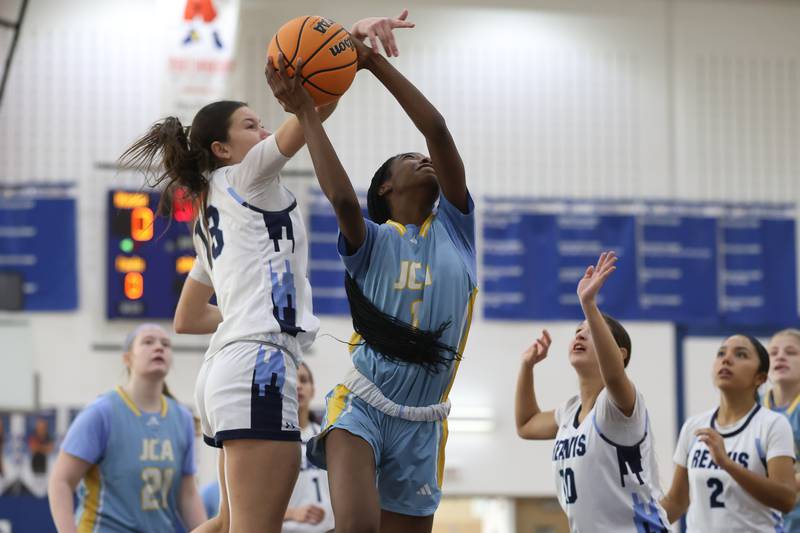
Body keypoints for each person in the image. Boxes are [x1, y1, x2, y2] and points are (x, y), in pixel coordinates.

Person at [118, 14, 413, 533]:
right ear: (222, 150)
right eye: (251, 126)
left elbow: (186, 318)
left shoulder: (212, 208)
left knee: (231, 522)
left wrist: (243, 307)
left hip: (225, 368)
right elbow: (312, 110)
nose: (265, 131)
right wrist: (346, 44)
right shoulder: (243, 175)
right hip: (258, 365)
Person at [266, 17, 476, 531]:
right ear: (384, 188)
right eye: (409, 158)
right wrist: (306, 114)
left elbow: (438, 129)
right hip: (363, 404)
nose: (424, 157)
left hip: (425, 421)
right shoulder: (369, 243)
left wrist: (371, 61)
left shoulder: (455, 230)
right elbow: (340, 198)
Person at [514, 252, 670, 532]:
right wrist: (527, 367)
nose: (580, 335)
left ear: (620, 354)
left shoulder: (619, 405)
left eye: (591, 330)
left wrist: (589, 305)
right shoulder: (568, 412)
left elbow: (613, 375)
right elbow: (526, 425)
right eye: (577, 330)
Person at [48, 324, 205, 532]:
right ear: (127, 358)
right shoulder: (101, 413)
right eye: (148, 342)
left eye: (165, 344)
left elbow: (187, 495)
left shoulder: (182, 418)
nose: (159, 347)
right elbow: (61, 481)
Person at [660, 334, 796, 531]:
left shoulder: (773, 424)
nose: (726, 359)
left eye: (740, 355)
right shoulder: (694, 426)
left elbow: (786, 499)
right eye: (721, 353)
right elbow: (676, 501)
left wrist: (727, 464)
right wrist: (637, 526)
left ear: (760, 378)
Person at [199, 363, 335, 532]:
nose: (298, 385)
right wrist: (293, 513)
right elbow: (247, 507)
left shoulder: (326, 439)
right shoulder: (266, 440)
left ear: (313, 390)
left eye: (304, 380)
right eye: (292, 379)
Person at [765, 329, 800, 531]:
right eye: (774, 352)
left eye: (791, 352)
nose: (781, 357)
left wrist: (777, 488)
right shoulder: (752, 406)